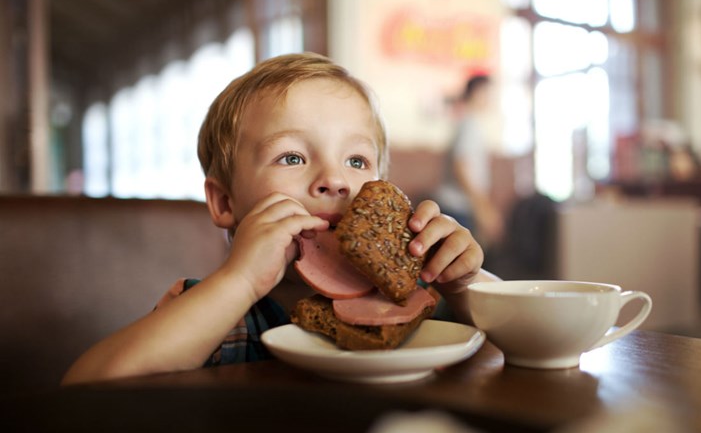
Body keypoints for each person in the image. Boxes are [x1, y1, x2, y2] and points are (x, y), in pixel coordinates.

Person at [62, 52, 501, 385]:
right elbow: (90, 388)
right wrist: (240, 282)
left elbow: (534, 351)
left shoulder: (418, 297)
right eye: (291, 157)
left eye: (357, 160)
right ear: (225, 203)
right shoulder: (216, 310)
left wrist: (466, 285)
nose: (334, 180)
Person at [435, 74, 504, 248]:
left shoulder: (467, 123)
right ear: (477, 92)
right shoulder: (469, 125)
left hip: (460, 208)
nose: (491, 98)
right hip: (457, 208)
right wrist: (483, 209)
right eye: (489, 93)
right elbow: (461, 168)